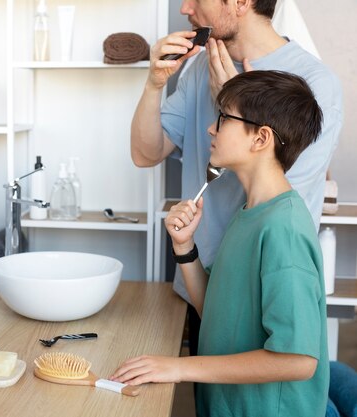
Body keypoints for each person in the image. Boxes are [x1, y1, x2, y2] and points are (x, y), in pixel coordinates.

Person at [132, 0, 343, 355]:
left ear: (241, 3)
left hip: (261, 292)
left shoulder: (316, 84)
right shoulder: (199, 67)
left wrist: (235, 104)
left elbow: (282, 199)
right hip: (199, 280)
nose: (185, 8)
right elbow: (145, 154)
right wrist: (153, 86)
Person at [112, 70, 329, 416]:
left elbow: (298, 360)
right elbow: (213, 311)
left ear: (260, 138)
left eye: (224, 119)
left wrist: (180, 367)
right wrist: (184, 247)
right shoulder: (250, 213)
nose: (211, 129)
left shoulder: (282, 230)